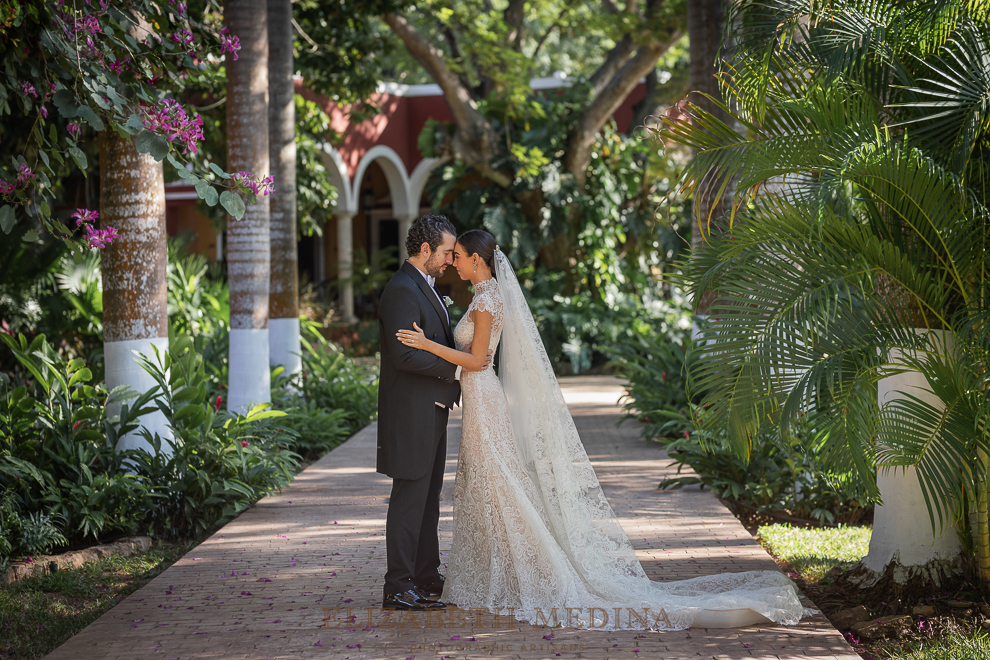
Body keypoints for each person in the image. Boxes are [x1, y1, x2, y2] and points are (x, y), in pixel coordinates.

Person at [395, 229, 816, 630]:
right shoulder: (484, 296)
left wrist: (428, 344)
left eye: (458, 257)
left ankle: (534, 567)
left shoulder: (487, 301)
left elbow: (479, 361)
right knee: (488, 481)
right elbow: (473, 351)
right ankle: (494, 570)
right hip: (479, 398)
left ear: (476, 259)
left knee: (499, 481)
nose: (452, 264)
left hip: (484, 396)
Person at [377, 215, 490, 612]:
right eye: (445, 253)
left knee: (427, 500)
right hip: (411, 414)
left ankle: (425, 575)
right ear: (425, 250)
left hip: (432, 410)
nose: (449, 260)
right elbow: (404, 354)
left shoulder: (424, 286)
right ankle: (398, 586)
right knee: (409, 500)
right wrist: (458, 369)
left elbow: (431, 342)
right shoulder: (402, 290)